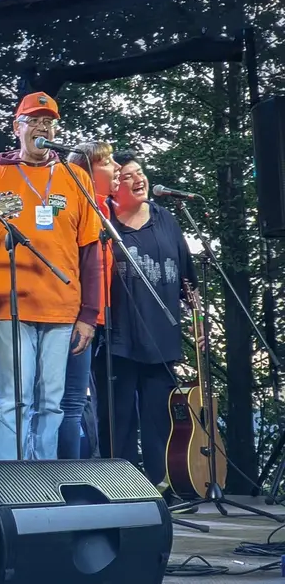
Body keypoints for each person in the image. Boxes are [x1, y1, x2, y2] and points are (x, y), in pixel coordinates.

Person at [0, 92, 102, 461]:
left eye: (48, 121)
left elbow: (90, 249)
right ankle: (9, 484)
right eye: (33, 120)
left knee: (51, 403)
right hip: (7, 307)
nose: (42, 127)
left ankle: (41, 484)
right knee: (12, 398)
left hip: (63, 310)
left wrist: (89, 314)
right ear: (17, 128)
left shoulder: (75, 177)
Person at [107, 151, 197, 499]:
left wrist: (199, 323)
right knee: (119, 420)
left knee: (160, 420)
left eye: (139, 172)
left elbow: (189, 282)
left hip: (162, 337)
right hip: (118, 337)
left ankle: (162, 487)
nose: (138, 179)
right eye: (127, 176)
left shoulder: (166, 219)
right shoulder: (104, 222)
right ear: (115, 187)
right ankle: (122, 489)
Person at [57, 141, 120, 458]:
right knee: (69, 400)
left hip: (96, 319)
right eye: (108, 162)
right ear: (87, 171)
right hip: (74, 316)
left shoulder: (105, 209)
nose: (117, 167)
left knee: (85, 401)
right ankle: (62, 476)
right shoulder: (77, 204)